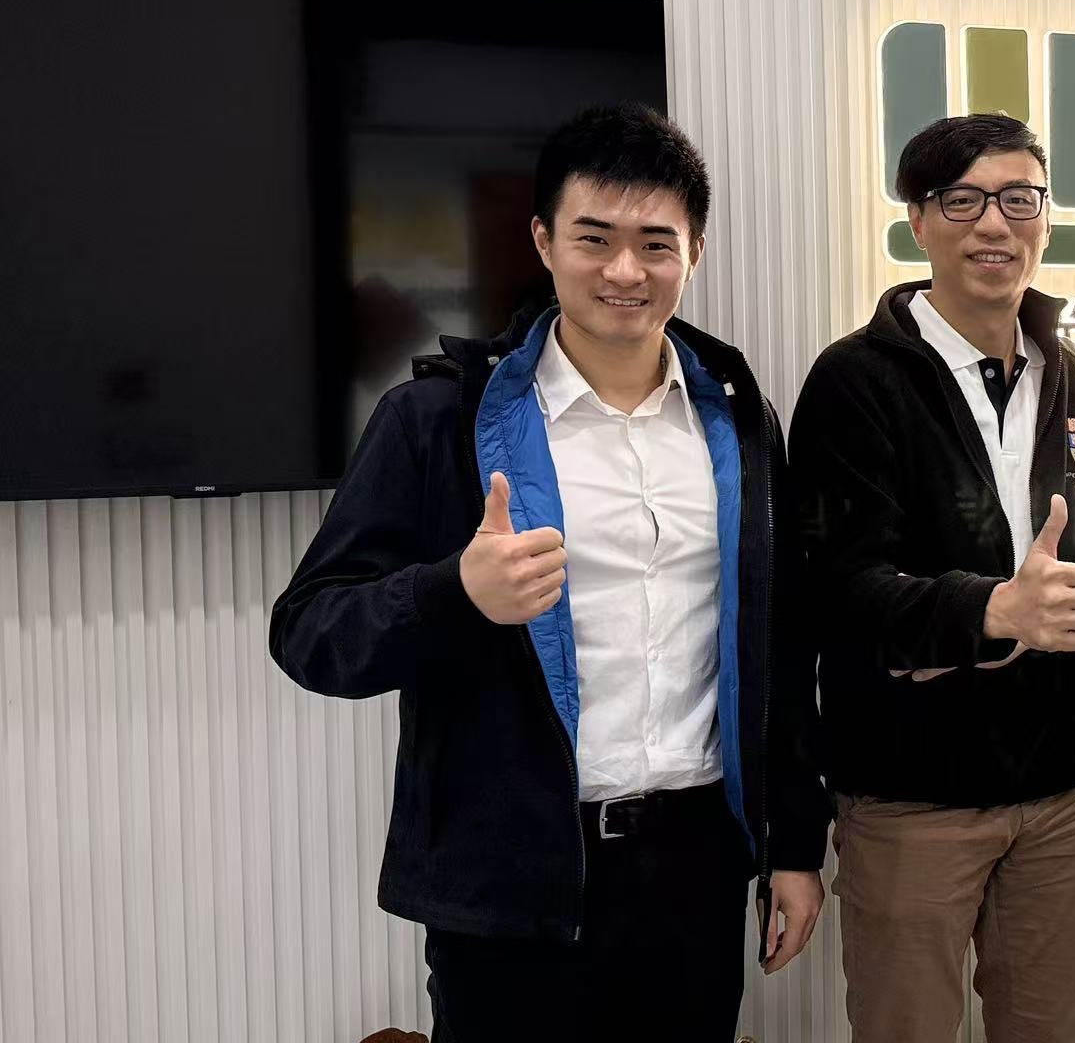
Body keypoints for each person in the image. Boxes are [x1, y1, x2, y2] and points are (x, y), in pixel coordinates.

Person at [271, 104, 827, 1041]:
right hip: (512, 888)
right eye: (594, 239)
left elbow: (780, 643)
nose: (625, 271)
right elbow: (310, 632)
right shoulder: (438, 419)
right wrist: (455, 591)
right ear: (543, 241)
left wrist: (794, 845)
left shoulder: (737, 421)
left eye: (656, 243)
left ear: (695, 251)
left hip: (695, 872)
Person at [790, 113, 1075, 1043]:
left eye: (1019, 199)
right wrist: (997, 611)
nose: (995, 224)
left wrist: (1055, 607)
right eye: (962, 200)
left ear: (1046, 219)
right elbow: (840, 587)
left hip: (1056, 791)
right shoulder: (855, 380)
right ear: (918, 222)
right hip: (909, 795)